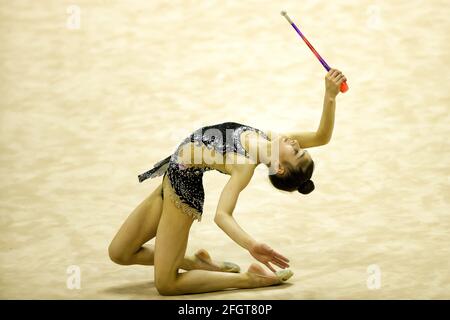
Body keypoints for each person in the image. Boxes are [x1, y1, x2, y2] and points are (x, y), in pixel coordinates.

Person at [108, 69, 347, 295]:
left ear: (280, 167)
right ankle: (196, 262)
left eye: (296, 152)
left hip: (182, 191)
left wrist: (251, 245)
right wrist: (330, 94)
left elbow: (222, 215)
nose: (296, 144)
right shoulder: (270, 139)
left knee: (167, 284)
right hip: (172, 173)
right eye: (299, 148)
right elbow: (321, 137)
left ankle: (249, 280)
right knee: (120, 252)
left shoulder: (244, 165)